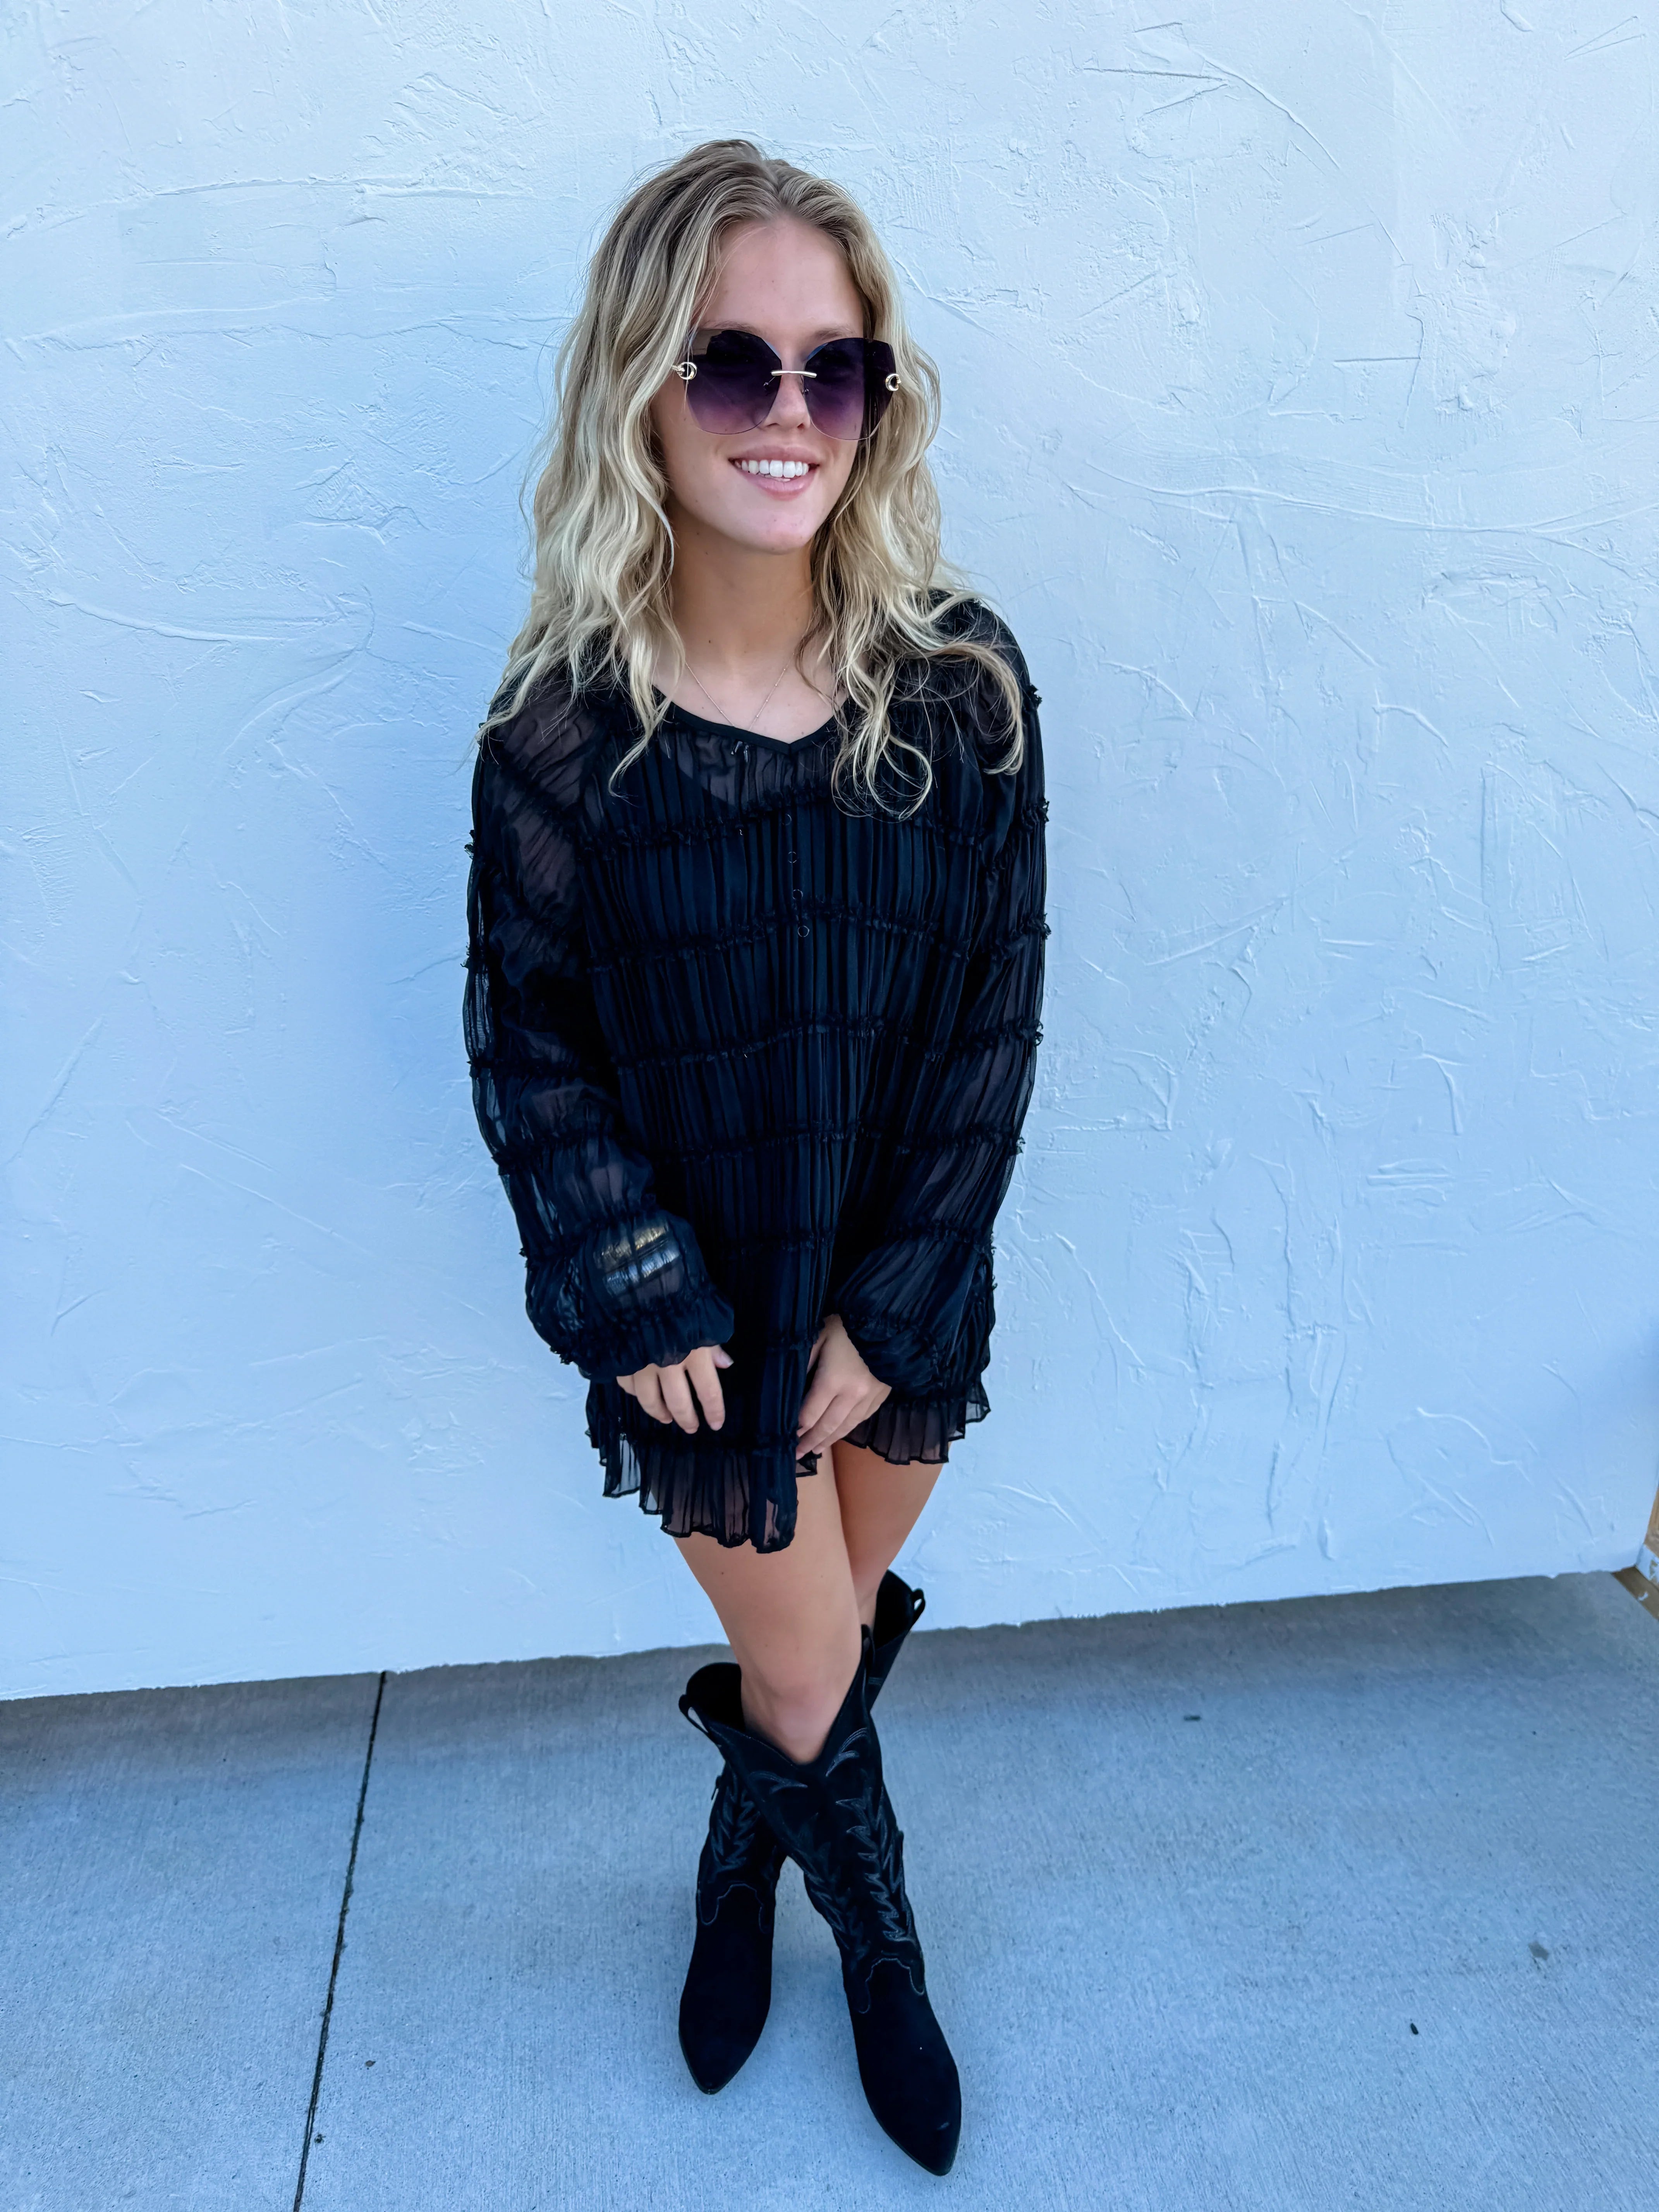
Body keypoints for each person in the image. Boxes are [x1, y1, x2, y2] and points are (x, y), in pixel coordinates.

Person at [464, 138, 1048, 2178]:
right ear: (642, 387)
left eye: (835, 366)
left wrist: (900, 1303)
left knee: (811, 1674)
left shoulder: (964, 694)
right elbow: (529, 1051)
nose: (788, 412)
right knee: (814, 1673)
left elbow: (994, 1019)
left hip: (899, 1292)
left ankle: (736, 1871)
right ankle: (883, 1961)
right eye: (732, 364)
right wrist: (630, 1290)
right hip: (705, 1336)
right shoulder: (562, 743)